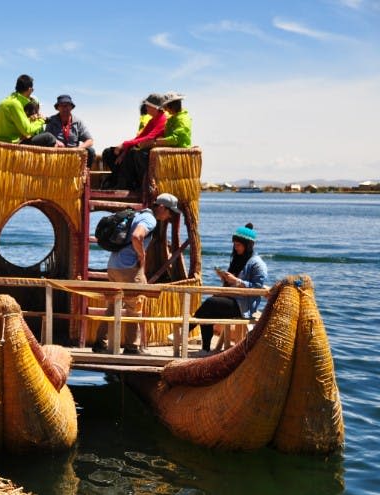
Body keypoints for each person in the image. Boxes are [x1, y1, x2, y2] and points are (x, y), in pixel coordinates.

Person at [93, 193, 180, 354]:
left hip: (113, 266)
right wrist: (142, 255)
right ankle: (131, 347)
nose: (169, 216)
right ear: (161, 207)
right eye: (170, 212)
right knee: (135, 306)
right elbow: (136, 236)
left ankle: (100, 342)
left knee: (112, 305)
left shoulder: (138, 214)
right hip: (128, 268)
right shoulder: (150, 219)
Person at [190, 223, 268, 354]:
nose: (235, 248)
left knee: (210, 303)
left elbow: (257, 287)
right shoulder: (238, 259)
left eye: (238, 245)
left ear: (247, 245)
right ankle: (205, 348)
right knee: (208, 310)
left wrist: (236, 281)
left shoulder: (258, 264)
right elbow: (233, 283)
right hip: (232, 299)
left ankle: (187, 329)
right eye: (234, 245)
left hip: (244, 306)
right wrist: (225, 278)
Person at [101, 93, 167, 191]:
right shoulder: (152, 120)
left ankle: (132, 185)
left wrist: (124, 145)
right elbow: (139, 137)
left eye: (148, 105)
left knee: (134, 153)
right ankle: (118, 180)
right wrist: (124, 150)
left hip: (149, 152)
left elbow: (149, 137)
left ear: (155, 107)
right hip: (141, 148)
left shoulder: (162, 119)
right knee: (109, 153)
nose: (146, 107)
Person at [0, 74, 57, 146]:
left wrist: (30, 120)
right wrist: (42, 120)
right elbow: (27, 131)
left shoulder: (5, 101)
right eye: (33, 90)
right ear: (30, 90)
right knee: (49, 137)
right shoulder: (15, 104)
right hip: (9, 144)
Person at [44, 94, 96, 168]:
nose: (65, 108)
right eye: (62, 105)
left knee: (91, 151)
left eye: (67, 105)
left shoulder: (78, 122)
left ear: (71, 107)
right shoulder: (51, 120)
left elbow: (90, 140)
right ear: (57, 108)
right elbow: (45, 138)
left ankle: (84, 173)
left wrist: (79, 148)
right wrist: (55, 141)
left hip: (75, 155)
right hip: (56, 154)